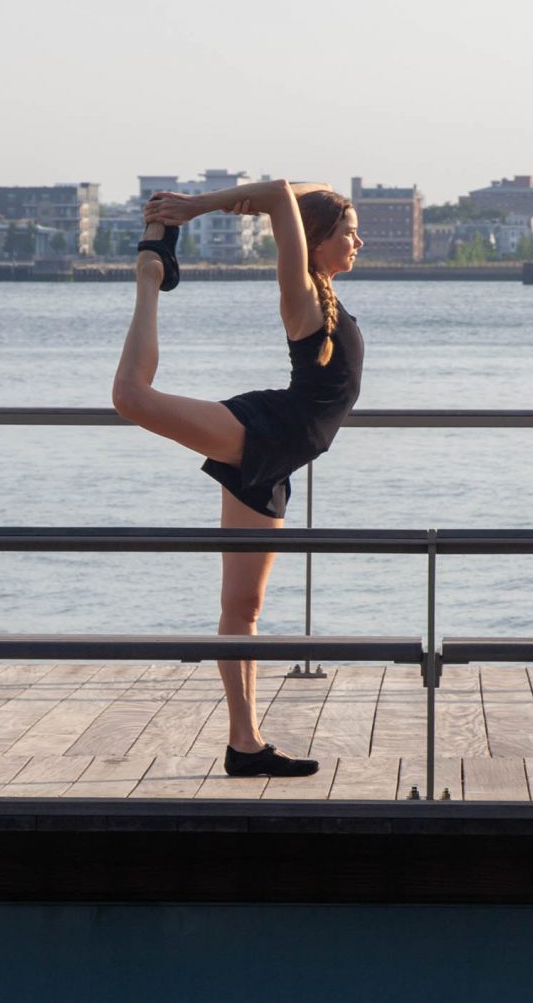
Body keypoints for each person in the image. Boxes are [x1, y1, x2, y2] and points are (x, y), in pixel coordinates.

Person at [111, 180, 364, 778]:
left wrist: (284, 202)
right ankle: (150, 272)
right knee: (131, 397)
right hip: (262, 430)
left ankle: (243, 745)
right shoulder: (301, 294)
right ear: (316, 242)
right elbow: (282, 194)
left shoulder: (327, 297)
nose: (359, 240)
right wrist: (201, 207)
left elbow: (300, 193)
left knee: (243, 606)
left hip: (276, 461)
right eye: (348, 231)